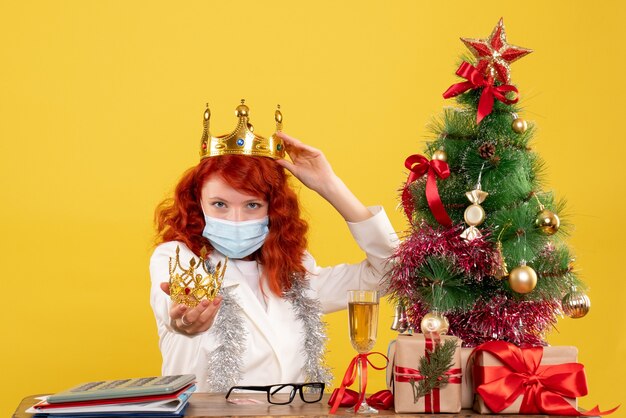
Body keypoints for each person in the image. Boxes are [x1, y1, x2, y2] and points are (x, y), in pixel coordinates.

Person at [149, 102, 398, 392]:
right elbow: (179, 310)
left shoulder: (294, 272)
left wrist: (330, 186)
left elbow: (392, 272)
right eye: (220, 205)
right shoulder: (176, 257)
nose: (237, 219)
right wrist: (186, 322)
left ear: (272, 210)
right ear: (197, 204)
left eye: (252, 205)